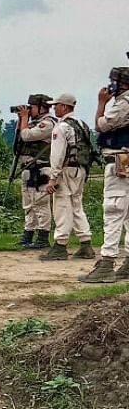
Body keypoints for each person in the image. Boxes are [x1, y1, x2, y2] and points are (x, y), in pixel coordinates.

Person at [78, 68, 129, 283]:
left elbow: (102, 125)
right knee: (127, 215)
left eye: (113, 81)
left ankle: (107, 262)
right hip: (125, 160)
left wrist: (101, 103)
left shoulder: (124, 103)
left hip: (119, 160)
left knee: (113, 210)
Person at [39, 93, 95, 261]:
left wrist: (53, 178)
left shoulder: (61, 127)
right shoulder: (81, 124)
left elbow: (57, 155)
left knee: (62, 205)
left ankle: (60, 245)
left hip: (66, 170)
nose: (54, 107)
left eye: (56, 105)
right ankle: (86, 243)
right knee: (76, 206)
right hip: (81, 169)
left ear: (64, 106)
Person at [15, 94, 56, 249]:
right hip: (28, 169)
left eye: (31, 107)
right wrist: (21, 119)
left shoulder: (48, 124)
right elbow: (19, 137)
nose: (28, 110)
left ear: (42, 107)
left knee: (40, 204)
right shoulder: (33, 123)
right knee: (28, 204)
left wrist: (24, 119)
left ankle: (43, 238)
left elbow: (26, 136)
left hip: (41, 170)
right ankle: (28, 234)